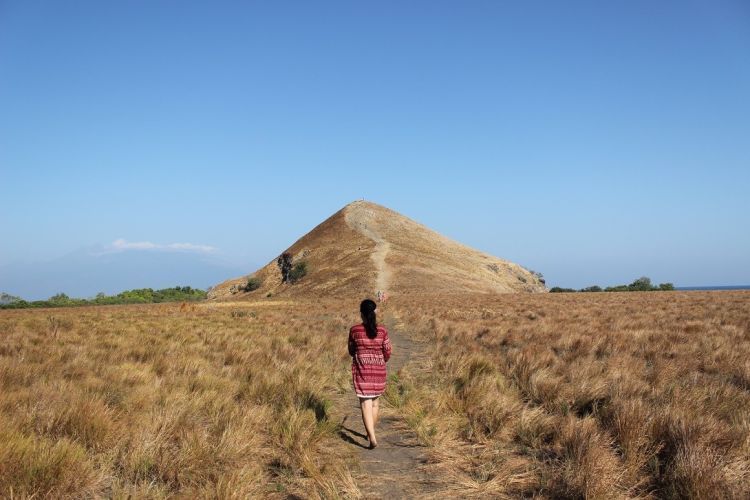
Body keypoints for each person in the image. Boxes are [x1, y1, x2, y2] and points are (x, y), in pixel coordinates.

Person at [348, 299, 392, 449]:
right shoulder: (383, 331)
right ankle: (370, 431)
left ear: (361, 314)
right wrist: (380, 360)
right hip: (379, 370)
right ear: (375, 313)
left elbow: (351, 350)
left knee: (365, 404)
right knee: (375, 403)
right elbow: (387, 352)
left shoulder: (355, 330)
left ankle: (372, 437)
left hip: (362, 370)